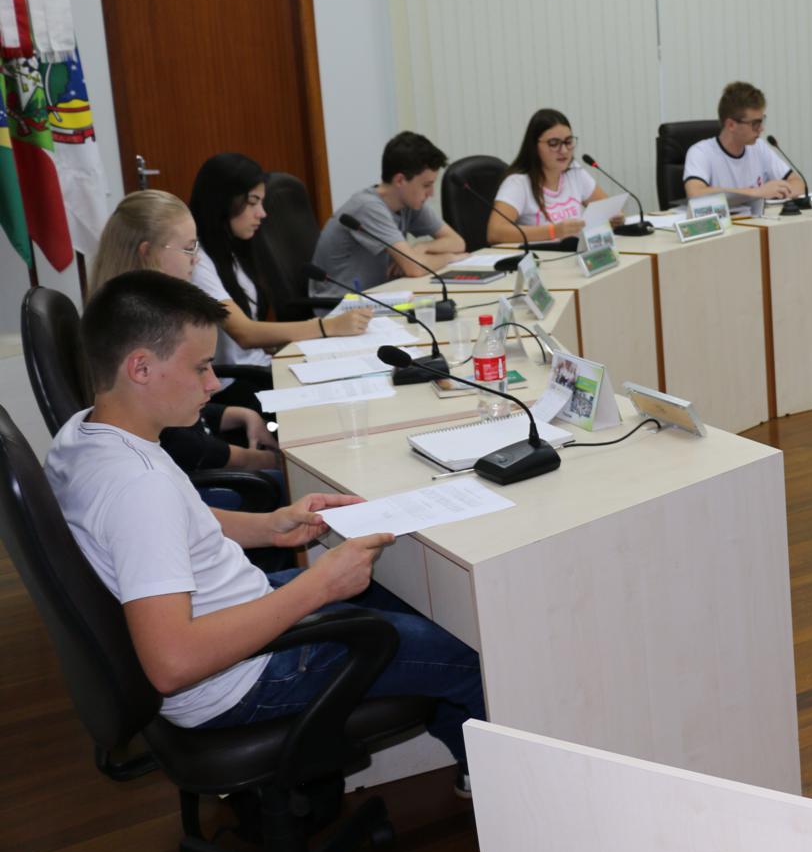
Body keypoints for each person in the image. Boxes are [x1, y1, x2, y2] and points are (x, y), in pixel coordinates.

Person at [45, 271, 485, 777]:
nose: (213, 384)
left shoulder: (82, 435)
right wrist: (319, 586)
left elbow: (165, 528)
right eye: (201, 367)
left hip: (235, 614)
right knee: (471, 657)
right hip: (238, 680)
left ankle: (470, 765)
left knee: (413, 600)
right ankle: (509, 807)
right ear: (140, 367)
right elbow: (172, 664)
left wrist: (269, 526)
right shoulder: (138, 486)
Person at [90, 190, 280, 476]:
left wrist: (237, 414)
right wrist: (261, 460)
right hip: (189, 480)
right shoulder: (142, 328)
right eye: (189, 249)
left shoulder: (132, 311)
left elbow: (183, 412)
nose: (196, 260)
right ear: (147, 252)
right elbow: (178, 443)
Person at [190, 154, 373, 405]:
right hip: (236, 386)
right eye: (253, 202)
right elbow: (245, 333)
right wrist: (326, 327)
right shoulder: (199, 262)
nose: (262, 213)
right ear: (223, 201)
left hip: (262, 367)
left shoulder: (232, 251)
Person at [311, 132, 463, 296]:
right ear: (400, 180)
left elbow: (457, 242)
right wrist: (449, 258)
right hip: (342, 305)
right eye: (426, 185)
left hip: (380, 296)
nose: (431, 193)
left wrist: (423, 247)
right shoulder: (368, 207)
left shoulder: (409, 202)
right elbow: (415, 268)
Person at [488, 109, 613, 246]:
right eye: (554, 143)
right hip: (543, 256)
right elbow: (495, 232)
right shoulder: (518, 183)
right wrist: (553, 231)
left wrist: (613, 217)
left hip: (576, 253)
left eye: (568, 142)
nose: (564, 150)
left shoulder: (574, 171)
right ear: (534, 146)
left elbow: (606, 208)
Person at [683, 81, 806, 216]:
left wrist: (778, 191)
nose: (761, 129)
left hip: (757, 223)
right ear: (731, 125)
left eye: (762, 121)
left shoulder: (759, 147)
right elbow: (695, 194)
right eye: (755, 123)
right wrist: (757, 192)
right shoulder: (700, 152)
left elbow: (798, 184)